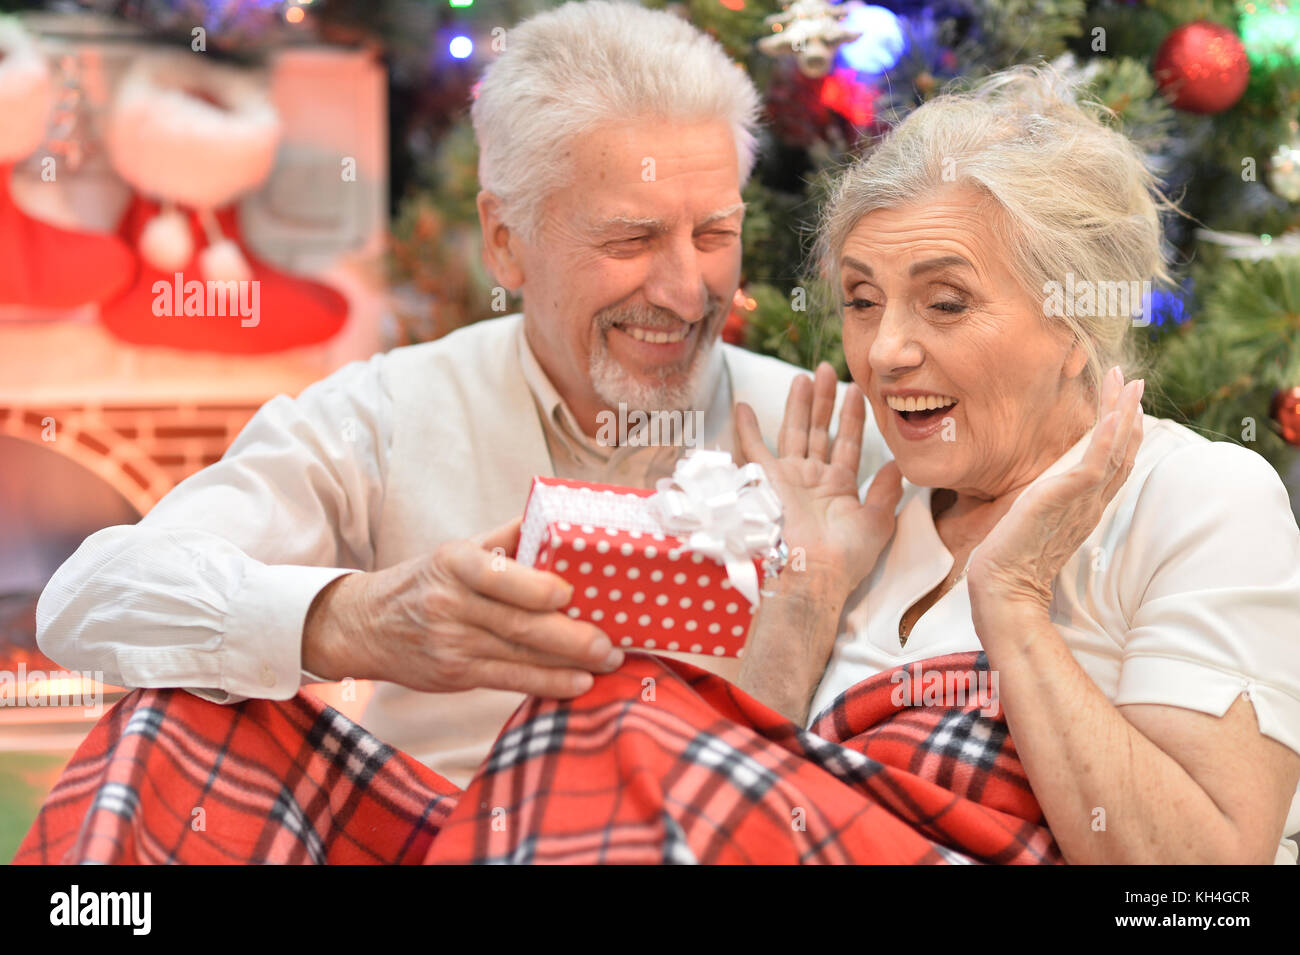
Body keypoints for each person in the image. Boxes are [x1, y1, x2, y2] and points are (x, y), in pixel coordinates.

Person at [33, 0, 887, 789]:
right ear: (505, 243)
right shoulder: (388, 415)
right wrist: (353, 618)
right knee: (161, 721)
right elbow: (91, 599)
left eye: (713, 234)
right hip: (441, 833)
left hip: (739, 833)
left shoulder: (828, 443)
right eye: (630, 239)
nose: (684, 290)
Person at [731, 65, 1300, 864]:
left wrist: (1014, 601)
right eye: (862, 300)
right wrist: (807, 590)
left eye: (947, 302)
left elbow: (1204, 888)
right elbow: (717, 809)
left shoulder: (1198, 499)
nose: (886, 349)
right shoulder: (854, 508)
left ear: (1077, 323)